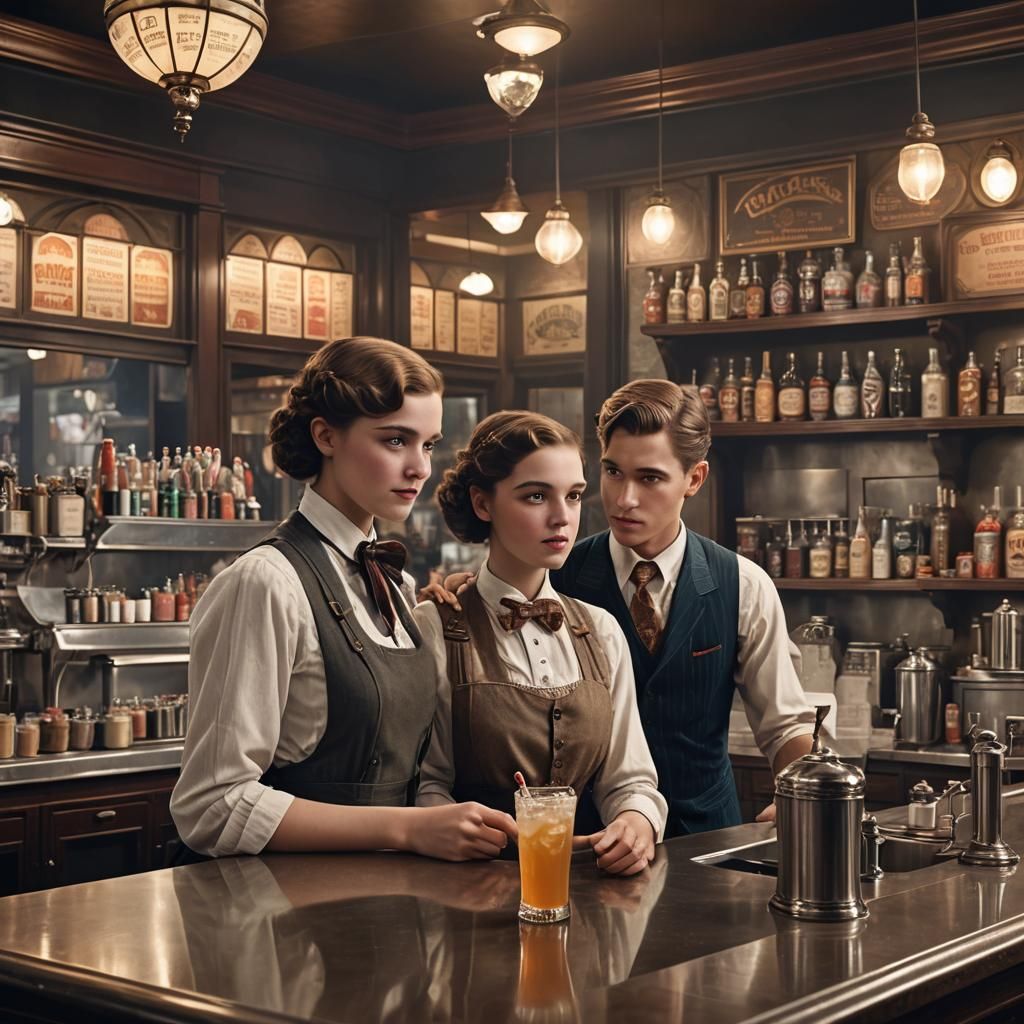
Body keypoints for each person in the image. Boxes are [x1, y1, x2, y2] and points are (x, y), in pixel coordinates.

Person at [170, 337, 516, 861]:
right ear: (326, 436)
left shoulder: (397, 586)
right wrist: (408, 829)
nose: (420, 468)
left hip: (389, 894)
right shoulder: (266, 582)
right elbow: (211, 806)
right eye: (396, 440)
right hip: (284, 901)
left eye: (428, 445)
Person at [435, 381, 813, 839]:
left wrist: (798, 797)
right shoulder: (558, 571)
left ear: (694, 479)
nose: (623, 498)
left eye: (649, 478)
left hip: (705, 836)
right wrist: (463, 594)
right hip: (587, 843)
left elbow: (784, 723)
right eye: (613, 472)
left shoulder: (743, 585)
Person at [415, 411, 667, 876]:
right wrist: (452, 825)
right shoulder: (435, 626)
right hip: (468, 886)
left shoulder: (601, 629)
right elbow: (425, 784)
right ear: (483, 503)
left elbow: (630, 780)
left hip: (588, 885)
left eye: (573, 496)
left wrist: (637, 821)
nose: (562, 517)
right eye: (536, 496)